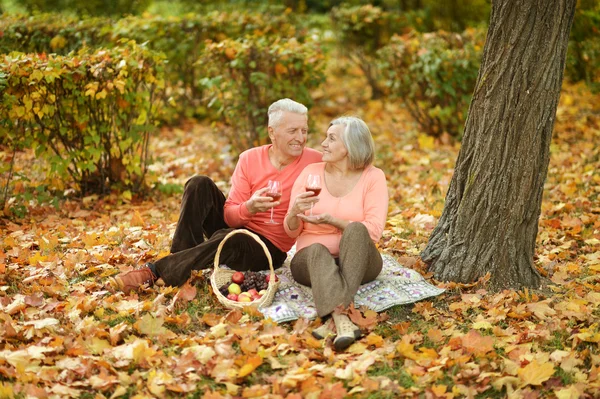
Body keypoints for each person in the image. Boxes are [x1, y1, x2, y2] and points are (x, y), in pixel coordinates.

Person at [112, 99, 322, 293]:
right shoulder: (250, 158)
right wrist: (250, 207)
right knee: (198, 184)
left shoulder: (315, 161)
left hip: (268, 248)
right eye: (293, 130)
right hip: (237, 227)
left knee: (231, 238)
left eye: (304, 130)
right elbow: (230, 217)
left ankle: (156, 271)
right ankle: (182, 260)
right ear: (272, 132)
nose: (301, 138)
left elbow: (347, 163)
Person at [284, 116, 388, 351]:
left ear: (350, 146)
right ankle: (342, 319)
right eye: (325, 137)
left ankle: (333, 317)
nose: (323, 143)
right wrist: (293, 213)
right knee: (317, 250)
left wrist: (334, 221)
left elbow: (372, 232)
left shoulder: (373, 177)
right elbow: (292, 232)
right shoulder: (311, 173)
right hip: (310, 261)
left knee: (356, 228)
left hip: (359, 261)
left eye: (331, 138)